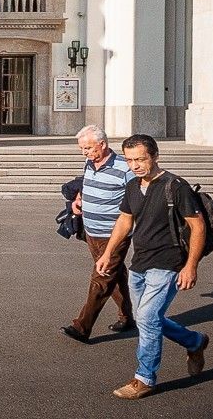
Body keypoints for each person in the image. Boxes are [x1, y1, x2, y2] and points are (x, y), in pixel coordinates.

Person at [95, 134, 209, 400]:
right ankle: (194, 341)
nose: (135, 165)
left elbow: (198, 226)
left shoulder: (175, 186)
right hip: (139, 264)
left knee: (146, 319)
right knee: (149, 319)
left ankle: (144, 378)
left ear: (155, 156)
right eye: (129, 160)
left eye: (140, 159)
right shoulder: (133, 186)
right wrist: (108, 254)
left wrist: (190, 266)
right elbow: (125, 221)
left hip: (167, 264)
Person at [61, 125, 135, 343]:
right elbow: (86, 184)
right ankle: (127, 316)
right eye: (82, 148)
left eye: (88, 148)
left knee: (101, 277)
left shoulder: (124, 168)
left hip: (114, 234)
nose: (84, 152)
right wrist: (77, 200)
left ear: (102, 145)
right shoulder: (89, 163)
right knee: (115, 274)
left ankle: (82, 327)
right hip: (91, 231)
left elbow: (136, 198)